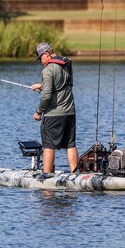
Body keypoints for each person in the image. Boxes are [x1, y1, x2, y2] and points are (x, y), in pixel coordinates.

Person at [31, 42, 78, 174]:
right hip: (70, 112)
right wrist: (42, 85)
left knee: (48, 146)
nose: (41, 61)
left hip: (54, 114)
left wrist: (38, 111)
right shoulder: (66, 64)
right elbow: (62, 83)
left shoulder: (47, 70)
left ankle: (47, 177)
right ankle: (75, 174)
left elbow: (46, 96)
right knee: (70, 144)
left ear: (46, 54)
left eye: (41, 58)